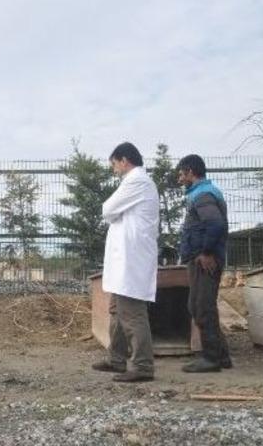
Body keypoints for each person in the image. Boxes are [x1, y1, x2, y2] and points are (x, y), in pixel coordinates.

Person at [92, 142, 159, 383]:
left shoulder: (136, 181)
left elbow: (107, 209)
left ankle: (143, 365)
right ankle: (116, 359)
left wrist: (114, 213)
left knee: (132, 313)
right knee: (116, 311)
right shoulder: (135, 183)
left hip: (132, 260)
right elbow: (112, 212)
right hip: (124, 261)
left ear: (124, 160)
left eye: (114, 164)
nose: (114, 170)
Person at [176, 154, 233, 372]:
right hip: (202, 258)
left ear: (190, 171)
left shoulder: (203, 194)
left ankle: (211, 359)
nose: (180, 178)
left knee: (201, 307)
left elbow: (215, 223)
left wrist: (207, 252)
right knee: (200, 305)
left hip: (205, 261)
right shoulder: (201, 193)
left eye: (182, 173)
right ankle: (221, 356)